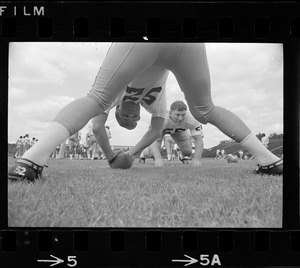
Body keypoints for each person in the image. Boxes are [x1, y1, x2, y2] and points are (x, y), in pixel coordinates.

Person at [8, 43, 283, 181]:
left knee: (96, 98)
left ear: (122, 112)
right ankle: (270, 161)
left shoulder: (114, 98)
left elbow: (96, 127)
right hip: (183, 44)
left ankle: (30, 160)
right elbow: (155, 129)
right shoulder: (156, 103)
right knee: (205, 110)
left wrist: (118, 155)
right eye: (131, 120)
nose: (129, 117)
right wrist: (125, 154)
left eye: (127, 118)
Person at [90, 66, 169, 166]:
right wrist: (130, 153)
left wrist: (111, 157)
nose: (131, 115)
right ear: (139, 116)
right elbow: (156, 131)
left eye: (126, 116)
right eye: (135, 117)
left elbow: (97, 126)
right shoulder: (155, 104)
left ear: (118, 108)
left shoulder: (112, 97)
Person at [150, 101, 204, 167]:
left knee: (187, 152)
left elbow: (199, 139)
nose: (180, 118)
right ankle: (146, 152)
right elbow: (152, 139)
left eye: (183, 115)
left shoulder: (192, 119)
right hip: (161, 131)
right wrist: (158, 158)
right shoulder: (161, 119)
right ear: (170, 113)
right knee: (152, 153)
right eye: (177, 115)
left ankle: (180, 156)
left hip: (178, 132)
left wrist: (197, 159)